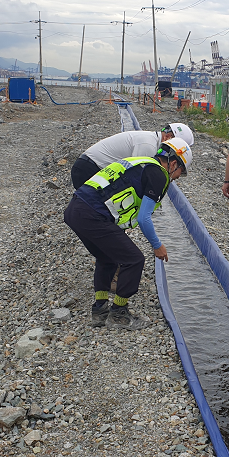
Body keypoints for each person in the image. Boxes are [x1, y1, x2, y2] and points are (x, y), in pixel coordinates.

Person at [64, 138, 192, 330]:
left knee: (106, 258)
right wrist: (157, 245)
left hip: (75, 210)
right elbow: (144, 218)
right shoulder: (159, 175)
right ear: (173, 163)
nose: (178, 177)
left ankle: (99, 311)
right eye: (181, 171)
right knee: (134, 260)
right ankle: (119, 314)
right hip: (91, 214)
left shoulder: (140, 163)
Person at [71, 123, 194, 189]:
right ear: (167, 137)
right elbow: (136, 176)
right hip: (88, 169)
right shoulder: (148, 145)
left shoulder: (151, 140)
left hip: (92, 167)